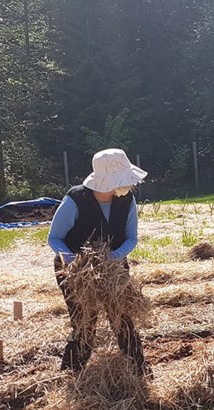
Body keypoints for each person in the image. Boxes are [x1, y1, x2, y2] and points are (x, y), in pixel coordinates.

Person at [47, 148, 149, 375]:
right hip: (76, 271)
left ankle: (139, 368)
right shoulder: (75, 200)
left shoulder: (127, 200)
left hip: (114, 266)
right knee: (84, 323)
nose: (130, 186)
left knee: (122, 317)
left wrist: (113, 258)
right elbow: (54, 238)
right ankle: (72, 375)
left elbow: (131, 238)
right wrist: (75, 261)